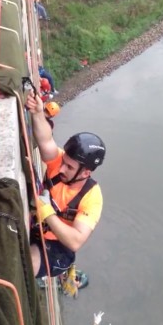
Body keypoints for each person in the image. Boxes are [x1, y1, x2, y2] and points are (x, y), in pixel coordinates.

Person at [26, 90, 106, 279]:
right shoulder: (61, 163)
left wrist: (48, 213)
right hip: (35, 228)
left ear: (86, 172)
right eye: (63, 162)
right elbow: (46, 141)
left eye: (69, 167)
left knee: (24, 264)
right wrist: (38, 113)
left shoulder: (92, 198)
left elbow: (76, 241)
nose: (61, 168)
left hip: (58, 248)